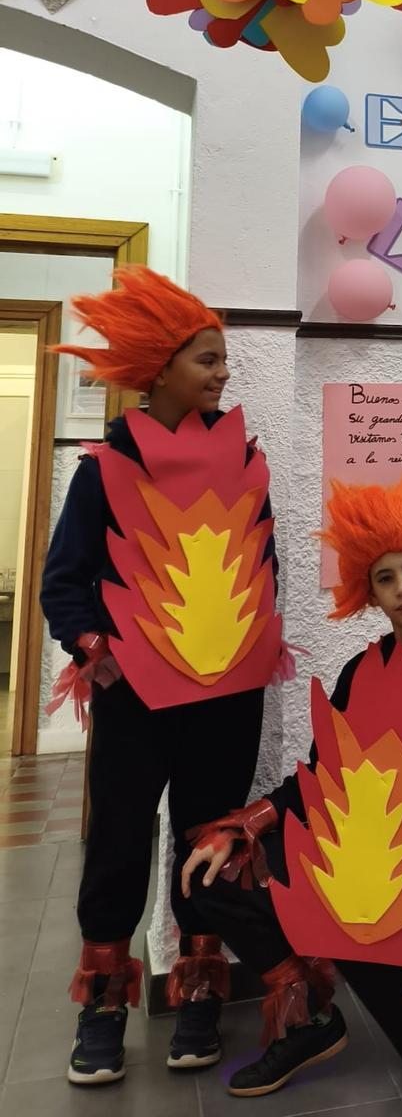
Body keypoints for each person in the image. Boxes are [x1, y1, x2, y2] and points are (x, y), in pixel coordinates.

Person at [181, 477, 402, 1098]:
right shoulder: (359, 670)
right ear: (370, 588)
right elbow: (318, 781)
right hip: (352, 866)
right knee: (217, 874)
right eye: (386, 578)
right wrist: (245, 827)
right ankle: (309, 1009)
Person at [40, 265, 285, 1087]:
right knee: (118, 837)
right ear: (159, 369)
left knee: (210, 840)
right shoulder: (103, 471)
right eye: (207, 360)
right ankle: (104, 1004)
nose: (222, 374)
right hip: (140, 699)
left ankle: (203, 993)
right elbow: (64, 585)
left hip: (226, 695)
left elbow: (263, 570)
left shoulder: (244, 462)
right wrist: (95, 650)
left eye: (223, 361)